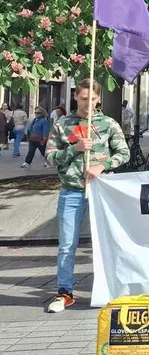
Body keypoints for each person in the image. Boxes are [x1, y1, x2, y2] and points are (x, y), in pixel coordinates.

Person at [45, 78, 129, 312]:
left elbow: (124, 153)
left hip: (102, 192)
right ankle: (65, 292)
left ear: (98, 98)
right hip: (71, 190)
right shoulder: (62, 125)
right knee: (67, 244)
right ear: (75, 97)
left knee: (107, 243)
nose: (88, 104)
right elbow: (50, 156)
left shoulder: (109, 124)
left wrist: (103, 166)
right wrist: (75, 148)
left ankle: (113, 289)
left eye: (92, 99)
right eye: (83, 99)